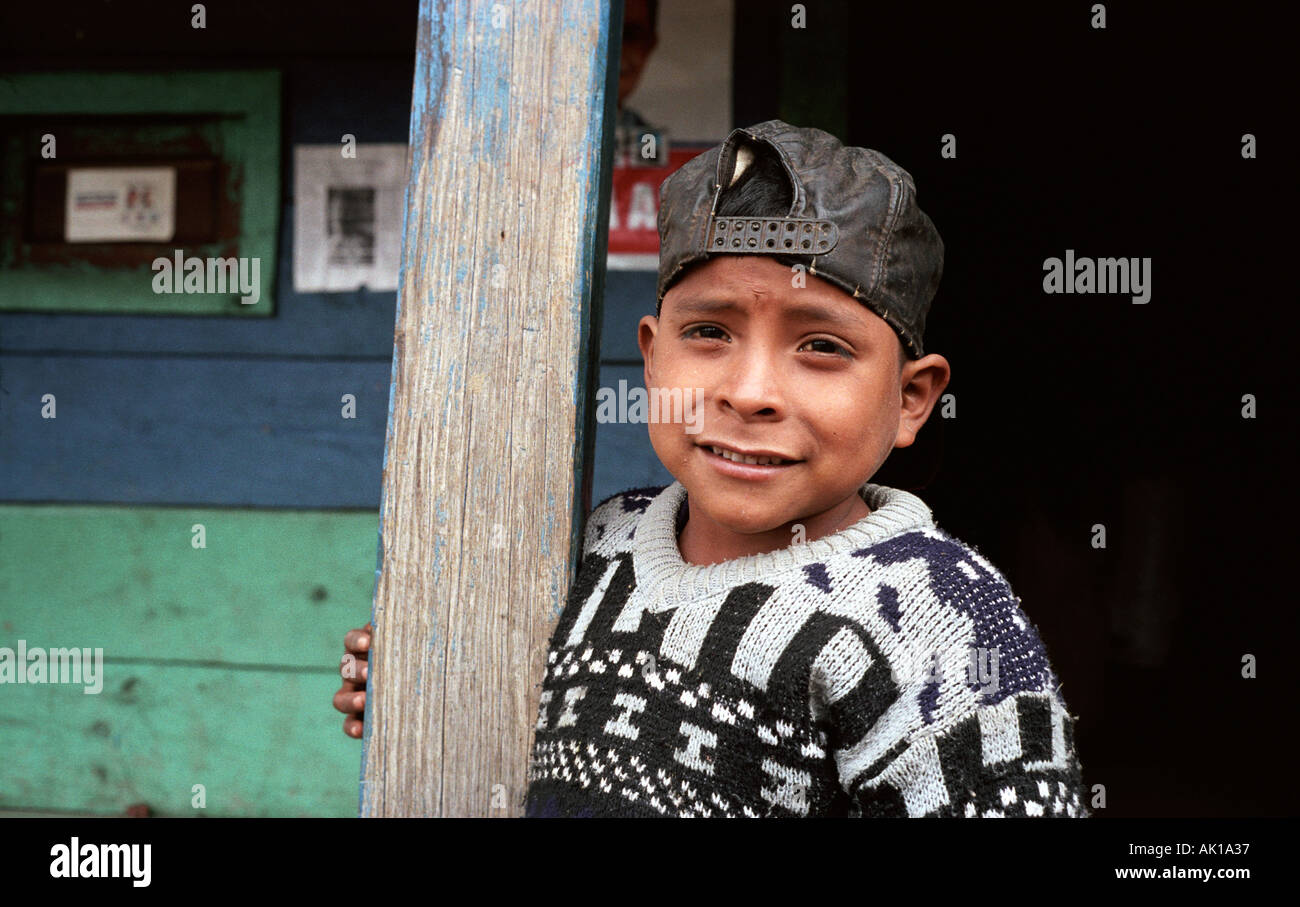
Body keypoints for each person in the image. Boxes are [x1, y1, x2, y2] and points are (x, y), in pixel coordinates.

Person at [335, 120, 1090, 818]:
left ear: (910, 399)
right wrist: (429, 679)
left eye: (822, 346)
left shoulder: (939, 617)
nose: (749, 392)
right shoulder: (601, 540)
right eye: (708, 331)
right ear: (653, 357)